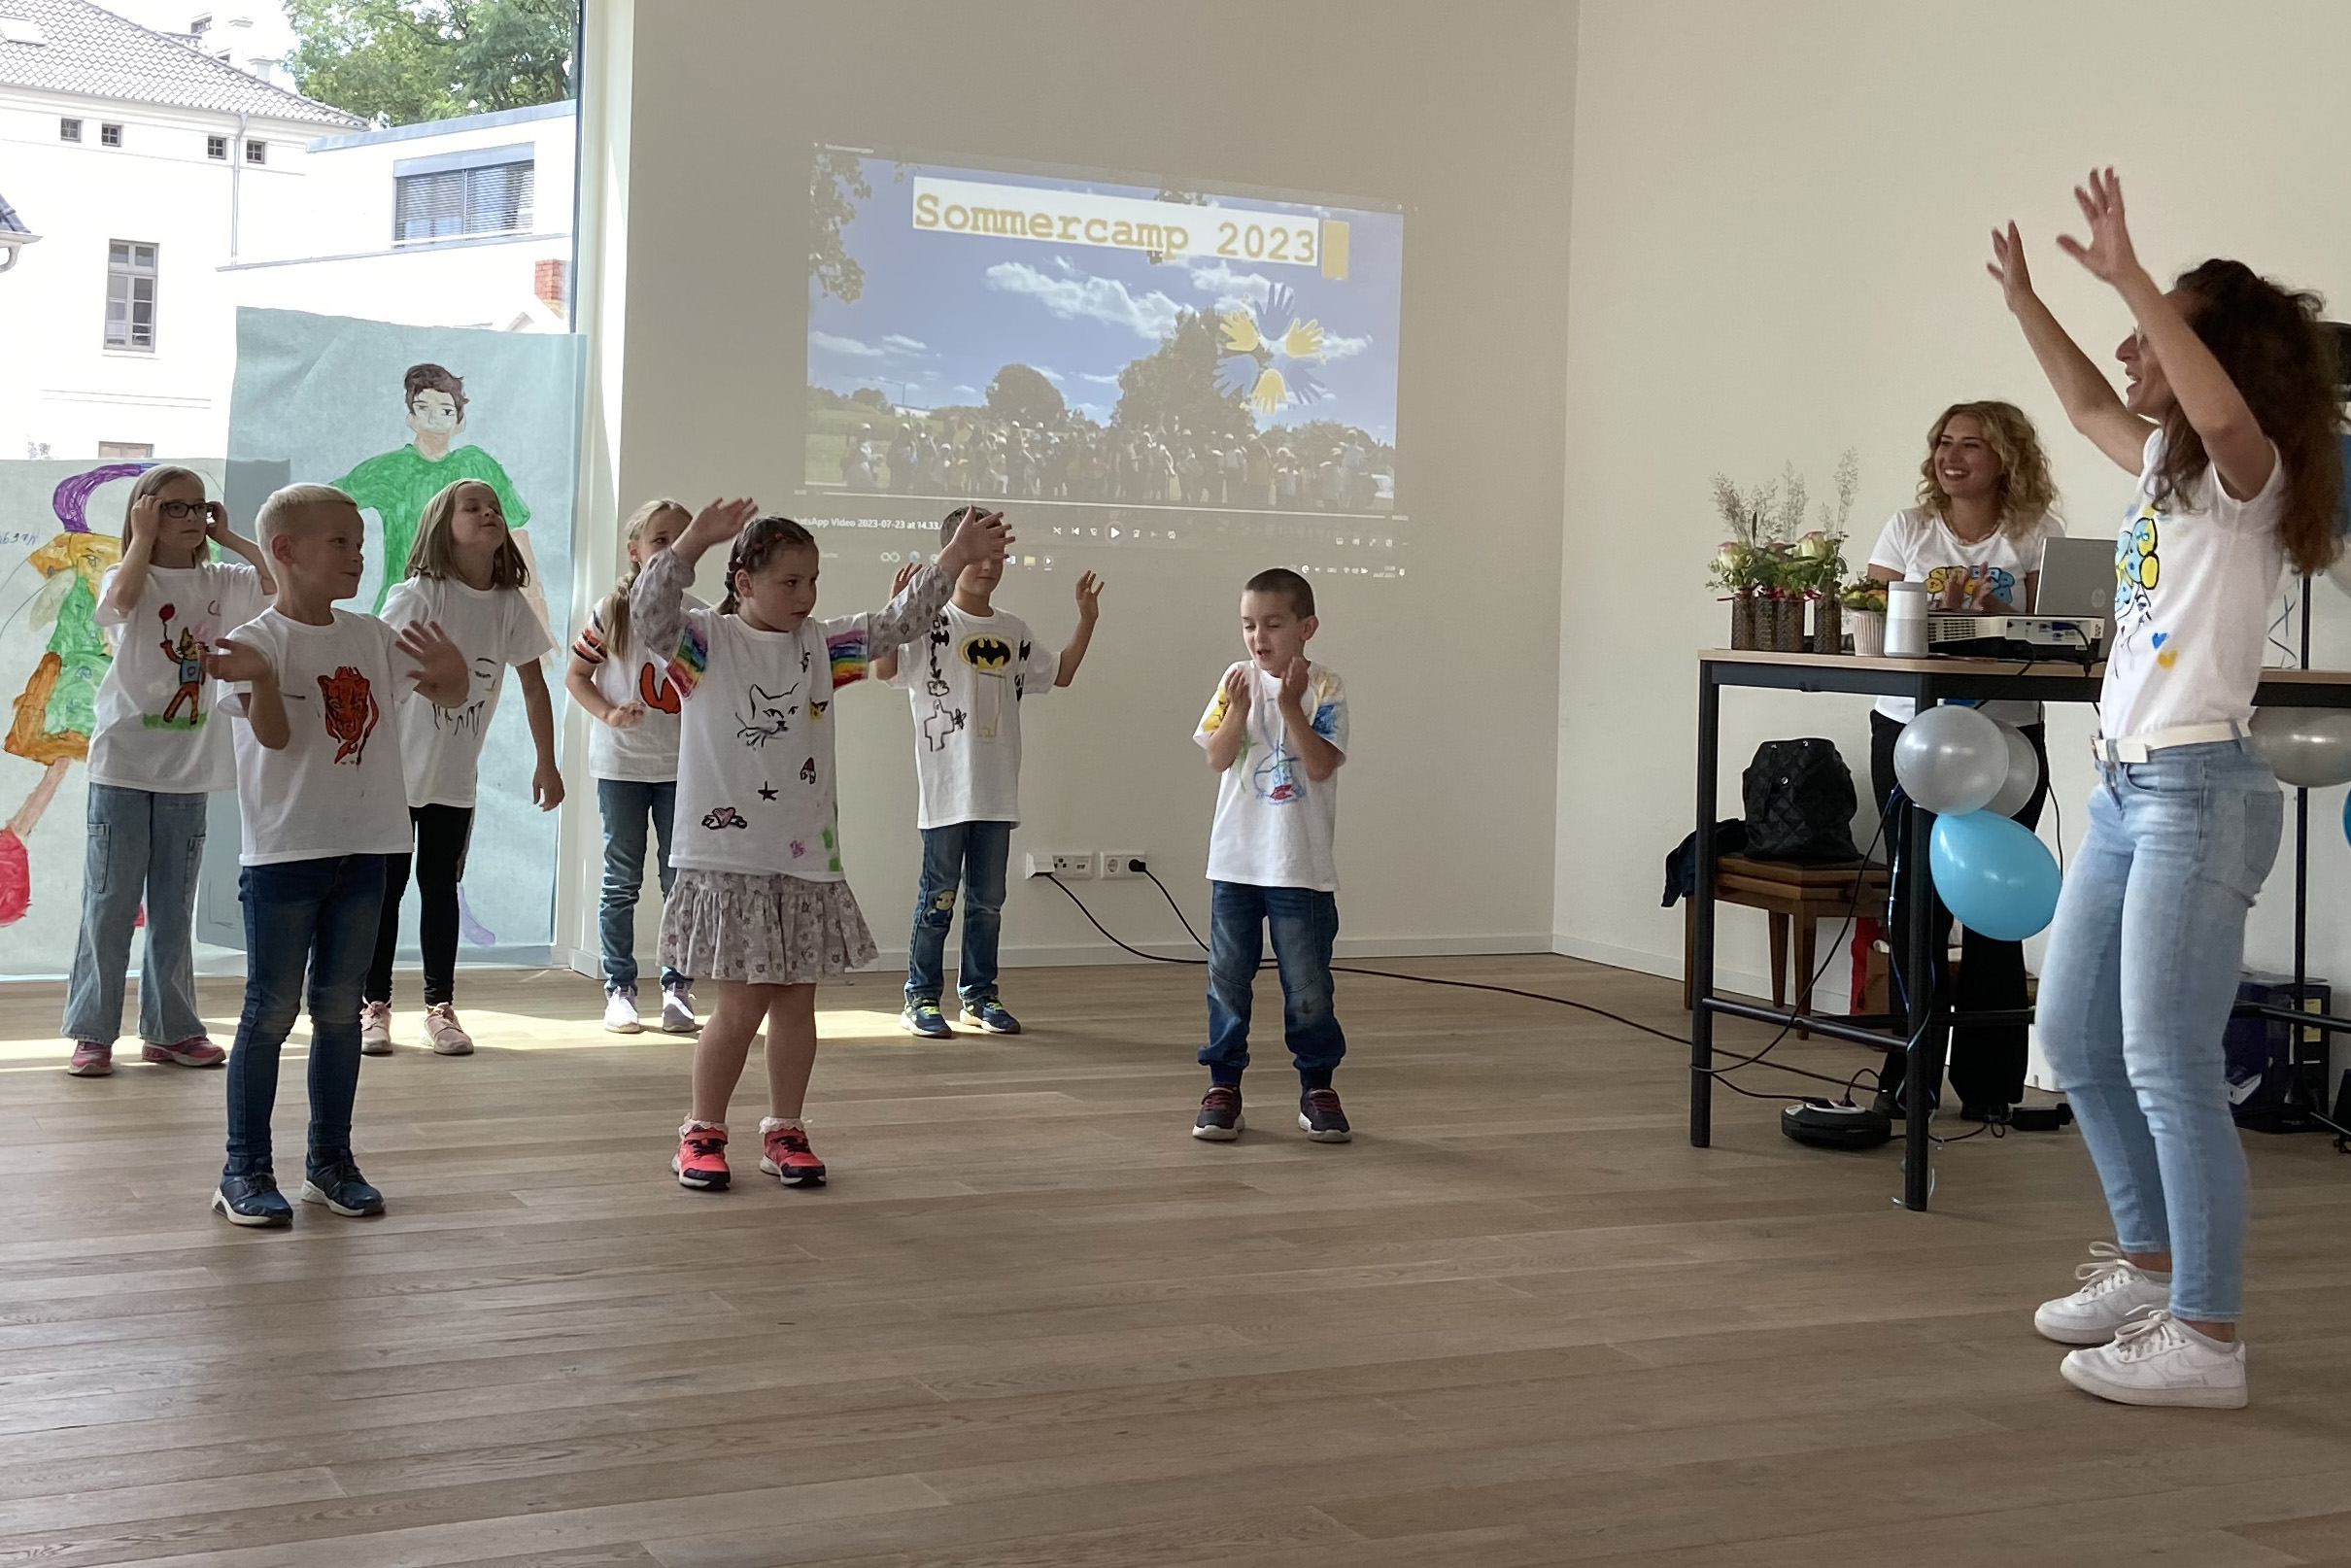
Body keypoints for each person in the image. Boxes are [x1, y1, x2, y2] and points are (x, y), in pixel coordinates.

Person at [1994, 170, 2341, 1407]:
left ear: (2219, 354)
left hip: (2198, 792)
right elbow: (2087, 396)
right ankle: (2148, 1265)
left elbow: (2231, 420)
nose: (2130, 343)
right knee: (2074, 1037)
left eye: (2162, 330)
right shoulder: (2164, 468)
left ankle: (2206, 1336)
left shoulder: (2253, 482)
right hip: (2126, 792)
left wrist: (2129, 272)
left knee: (2167, 1063)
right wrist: (2033, 303)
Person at [631, 498, 1013, 1192]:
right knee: (740, 1007)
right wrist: (692, 540)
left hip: (804, 859)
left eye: (813, 581)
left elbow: (901, 622)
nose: (806, 597)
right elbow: (648, 611)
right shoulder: (705, 643)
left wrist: (953, 556)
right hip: (729, 863)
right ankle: (702, 1131)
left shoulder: (822, 646)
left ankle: (785, 1127)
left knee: (796, 1005)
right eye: (789, 582)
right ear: (743, 581)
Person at [202, 484, 470, 1226]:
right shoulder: (259, 641)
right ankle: (244, 1169)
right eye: (340, 543)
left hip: (371, 851)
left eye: (359, 543)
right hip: (287, 855)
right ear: (285, 551)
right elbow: (277, 740)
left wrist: (450, 666)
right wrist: (258, 683)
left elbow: (447, 691)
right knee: (270, 1012)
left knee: (339, 1013)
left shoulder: (371, 635)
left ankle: (329, 1162)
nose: (358, 557)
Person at [1863, 402, 2063, 1123]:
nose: (1952, 456)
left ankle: (1990, 1088)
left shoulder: (2037, 536)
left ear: (2005, 457)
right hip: (1912, 736)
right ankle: (1905, 1079)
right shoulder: (1907, 529)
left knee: (1993, 912)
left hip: (2007, 742)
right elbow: (1874, 619)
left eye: (1971, 444)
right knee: (1916, 903)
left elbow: (2049, 630)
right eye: (1944, 443)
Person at [62, 467, 274, 1076]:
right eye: (173, 508)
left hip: (187, 773)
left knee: (174, 908)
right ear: (145, 512)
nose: (191, 518)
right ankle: (93, 1032)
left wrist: (231, 537)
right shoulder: (125, 571)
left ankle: (171, 1030)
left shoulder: (224, 579)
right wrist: (139, 538)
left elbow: (279, 583)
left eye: (199, 507)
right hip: (123, 766)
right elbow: (119, 607)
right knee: (109, 903)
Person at [871, 507, 1103, 1039]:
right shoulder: (928, 625)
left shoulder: (1013, 630)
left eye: (999, 556)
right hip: (946, 792)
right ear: (950, 555)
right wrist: (893, 610)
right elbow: (885, 669)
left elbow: (1060, 674)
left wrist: (1087, 620)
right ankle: (920, 997)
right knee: (938, 899)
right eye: (977, 554)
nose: (989, 566)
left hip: (997, 794)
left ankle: (978, 995)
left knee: (987, 904)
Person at [362, 480, 561, 1057]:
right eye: (471, 507)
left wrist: (547, 761)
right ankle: (372, 1006)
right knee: (386, 892)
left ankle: (438, 1007)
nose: (488, 513)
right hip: (392, 778)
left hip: (454, 780)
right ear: (440, 526)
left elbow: (533, 683)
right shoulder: (419, 594)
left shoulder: (507, 606)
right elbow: (378, 672)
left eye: (494, 507)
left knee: (440, 889)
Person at [1190, 567, 1352, 1144]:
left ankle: (1317, 1087)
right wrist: (1239, 708)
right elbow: (1216, 757)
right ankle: (1224, 1086)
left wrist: (1289, 705)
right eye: (1249, 626)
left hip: (1298, 868)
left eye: (1273, 624)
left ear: (1306, 627)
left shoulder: (1325, 687)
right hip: (1235, 864)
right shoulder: (1233, 680)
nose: (1259, 638)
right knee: (1227, 981)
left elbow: (1320, 765)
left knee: (1307, 985)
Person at [566, 498, 701, 1035]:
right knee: (622, 880)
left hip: (682, 772)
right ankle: (620, 988)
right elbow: (578, 676)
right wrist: (609, 715)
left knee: (681, 881)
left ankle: (677, 989)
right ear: (635, 551)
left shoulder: (698, 616)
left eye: (681, 541)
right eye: (659, 540)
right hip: (621, 768)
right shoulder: (611, 611)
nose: (670, 552)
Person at [331, 363, 534, 619]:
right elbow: (324, 503)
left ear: (460, 421)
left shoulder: (477, 465)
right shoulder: (390, 470)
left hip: (472, 609)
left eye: (446, 410)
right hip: (404, 612)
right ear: (411, 417)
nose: (433, 418)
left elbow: (517, 533)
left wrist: (536, 604)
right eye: (423, 408)